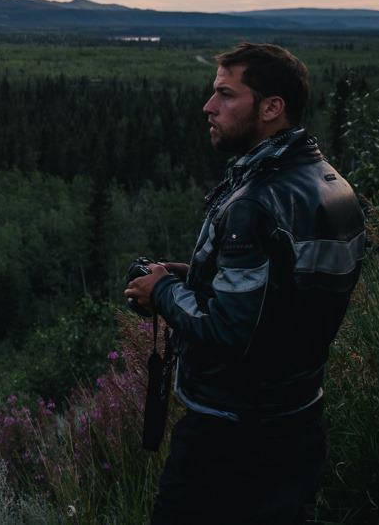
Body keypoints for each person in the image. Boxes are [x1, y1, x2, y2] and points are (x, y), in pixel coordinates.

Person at [125, 42, 366, 525]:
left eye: (226, 95)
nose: (208, 107)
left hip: (231, 441)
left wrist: (164, 293)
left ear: (271, 107)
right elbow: (285, 296)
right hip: (298, 423)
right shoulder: (330, 183)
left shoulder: (256, 202)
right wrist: (195, 277)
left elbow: (229, 334)